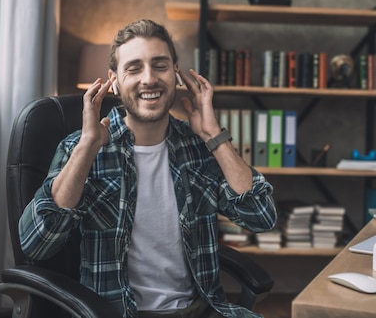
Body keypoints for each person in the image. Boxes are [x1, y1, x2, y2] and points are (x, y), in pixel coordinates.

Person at [19, 19, 277, 318]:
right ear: (113, 80)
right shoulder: (81, 148)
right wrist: (87, 148)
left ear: (176, 74)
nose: (149, 78)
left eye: (160, 65)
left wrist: (213, 136)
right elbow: (36, 245)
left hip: (202, 310)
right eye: (134, 68)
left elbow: (262, 215)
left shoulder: (199, 147)